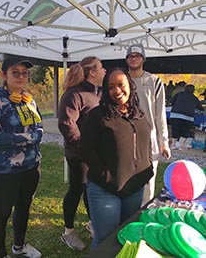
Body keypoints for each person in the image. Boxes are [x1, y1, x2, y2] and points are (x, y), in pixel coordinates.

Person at [80, 67, 154, 249]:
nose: (117, 91)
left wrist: (146, 168)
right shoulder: (98, 116)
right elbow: (85, 150)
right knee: (105, 241)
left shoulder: (139, 114)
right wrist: (105, 176)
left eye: (121, 85)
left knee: (126, 237)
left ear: (130, 85)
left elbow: (144, 145)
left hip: (134, 188)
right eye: (111, 87)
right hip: (105, 189)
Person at [0, 56, 43, 258]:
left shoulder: (29, 99)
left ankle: (19, 247)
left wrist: (36, 135)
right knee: (1, 215)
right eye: (15, 72)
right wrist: (29, 138)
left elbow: (40, 128)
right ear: (4, 75)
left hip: (30, 167)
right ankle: (1, 255)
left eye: (24, 72)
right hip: (5, 171)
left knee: (23, 208)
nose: (21, 76)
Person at [58, 56, 106, 250]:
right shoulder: (74, 95)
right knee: (77, 188)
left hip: (94, 154)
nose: (104, 71)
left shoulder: (98, 93)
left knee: (91, 189)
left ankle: (92, 222)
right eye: (101, 67)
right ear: (92, 72)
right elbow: (67, 124)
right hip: (78, 155)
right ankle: (68, 232)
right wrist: (85, 147)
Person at [125, 43, 171, 206]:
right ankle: (128, 212)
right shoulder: (122, 80)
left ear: (143, 59)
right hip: (126, 136)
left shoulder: (154, 81)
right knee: (126, 176)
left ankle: (144, 211)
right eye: (130, 56)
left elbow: (160, 114)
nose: (134, 58)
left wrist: (163, 142)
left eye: (137, 56)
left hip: (149, 139)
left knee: (147, 180)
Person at [170, 84, 204, 150]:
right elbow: (201, 108)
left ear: (185, 89)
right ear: (193, 91)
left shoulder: (179, 94)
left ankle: (173, 145)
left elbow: (171, 101)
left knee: (175, 129)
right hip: (188, 117)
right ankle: (181, 145)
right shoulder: (194, 98)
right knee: (185, 131)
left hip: (175, 115)